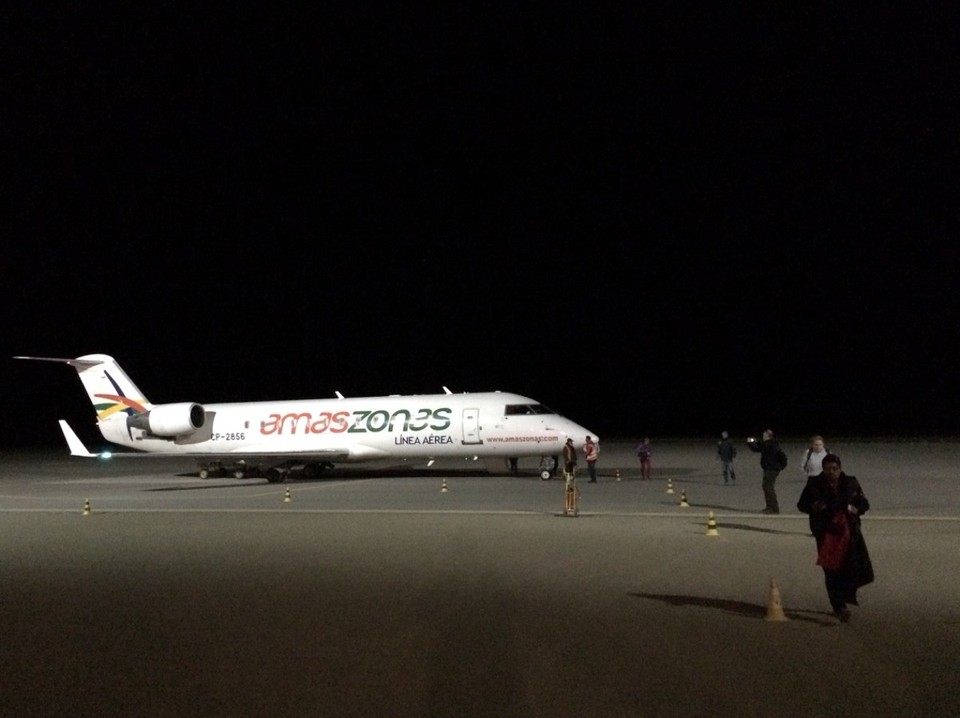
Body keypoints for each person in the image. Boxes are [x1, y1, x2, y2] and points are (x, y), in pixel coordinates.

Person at [797, 453, 874, 622]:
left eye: (834, 469)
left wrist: (856, 508)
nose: (831, 472)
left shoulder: (850, 482)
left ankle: (845, 598)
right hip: (827, 534)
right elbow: (801, 505)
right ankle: (838, 606)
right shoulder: (815, 484)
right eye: (827, 469)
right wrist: (814, 506)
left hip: (848, 533)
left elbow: (864, 503)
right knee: (831, 570)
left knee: (850, 566)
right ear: (823, 469)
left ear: (840, 468)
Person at [747, 429, 788, 514]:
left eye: (764, 435)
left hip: (771, 469)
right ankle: (769, 507)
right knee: (766, 488)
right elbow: (759, 447)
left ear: (768, 436)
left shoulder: (770, 445)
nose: (763, 437)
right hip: (770, 468)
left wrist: (750, 443)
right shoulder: (771, 444)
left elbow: (757, 448)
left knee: (768, 488)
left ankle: (774, 508)